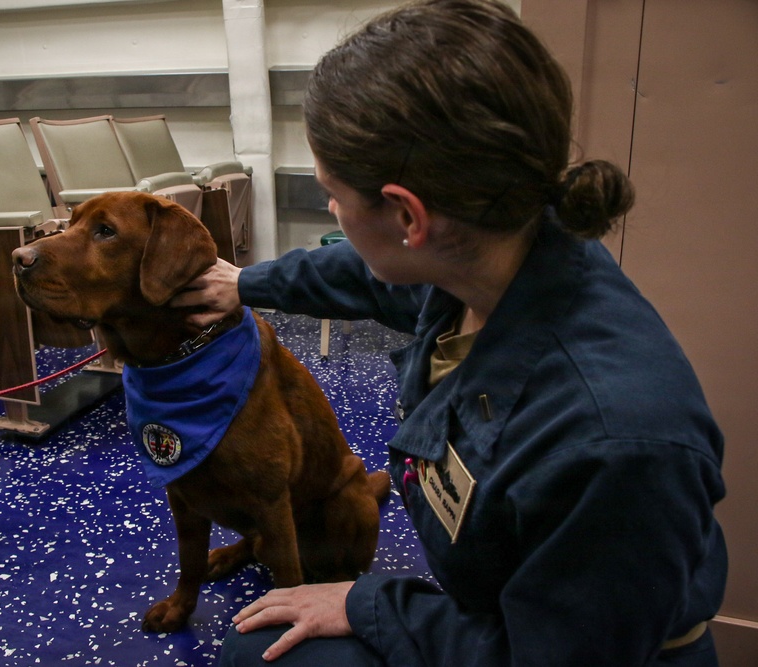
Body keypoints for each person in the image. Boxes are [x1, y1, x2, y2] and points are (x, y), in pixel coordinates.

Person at [172, 0, 728, 664]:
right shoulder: (496, 252)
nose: (330, 209)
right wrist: (245, 284)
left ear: (408, 216)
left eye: (333, 195)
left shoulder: (613, 442)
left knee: (256, 652)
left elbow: (544, 653)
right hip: (507, 602)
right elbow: (368, 275)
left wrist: (364, 601)